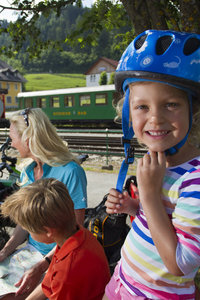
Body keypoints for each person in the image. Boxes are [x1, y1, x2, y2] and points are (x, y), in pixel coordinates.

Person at [104, 29, 200, 299]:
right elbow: (160, 221)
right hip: (123, 280)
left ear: (192, 110)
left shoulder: (195, 178)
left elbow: (180, 263)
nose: (155, 119)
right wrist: (133, 207)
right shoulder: (157, 163)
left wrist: (148, 194)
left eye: (170, 104)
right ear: (127, 112)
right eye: (142, 107)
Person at [0, 108, 87, 298]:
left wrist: (41, 267)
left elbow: (76, 232)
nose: (11, 143)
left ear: (28, 139)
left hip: (60, 259)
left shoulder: (70, 172)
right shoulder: (27, 172)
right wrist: (4, 252)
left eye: (13, 137)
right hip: (32, 255)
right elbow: (25, 224)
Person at [1, 178, 110, 300]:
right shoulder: (76, 235)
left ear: (48, 231)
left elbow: (58, 283)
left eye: (29, 230)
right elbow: (47, 284)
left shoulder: (67, 271)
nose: (29, 234)